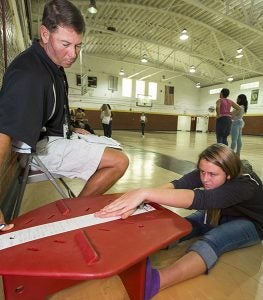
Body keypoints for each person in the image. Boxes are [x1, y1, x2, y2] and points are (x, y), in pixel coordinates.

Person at [0, 0, 129, 231]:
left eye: (78, 46)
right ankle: (73, 215)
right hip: (34, 151)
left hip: (55, 137)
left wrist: (69, 128)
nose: (73, 54)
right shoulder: (29, 74)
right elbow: (2, 135)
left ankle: (73, 210)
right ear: (45, 34)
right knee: (119, 162)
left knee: (113, 146)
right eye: (66, 44)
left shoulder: (53, 64)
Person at [96, 143, 263, 300]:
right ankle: (131, 251)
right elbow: (179, 184)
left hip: (250, 222)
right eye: (202, 172)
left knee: (214, 239)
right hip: (220, 212)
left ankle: (156, 282)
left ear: (228, 174)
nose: (205, 179)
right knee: (184, 225)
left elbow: (203, 199)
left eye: (212, 174)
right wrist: (141, 200)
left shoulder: (245, 183)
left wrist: (145, 193)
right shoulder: (211, 170)